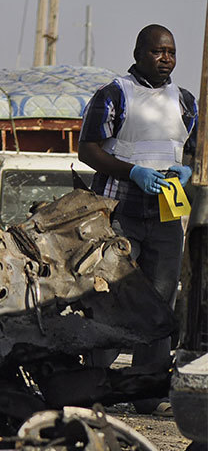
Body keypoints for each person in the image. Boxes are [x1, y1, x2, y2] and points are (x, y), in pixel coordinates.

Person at [78, 24, 197, 416]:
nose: (166, 59)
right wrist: (132, 172)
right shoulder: (113, 95)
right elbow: (88, 150)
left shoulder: (185, 101)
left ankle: (148, 392)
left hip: (165, 217)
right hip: (119, 212)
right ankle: (91, 387)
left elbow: (192, 152)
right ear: (138, 53)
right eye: (158, 51)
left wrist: (187, 171)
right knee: (111, 297)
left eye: (172, 52)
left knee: (159, 303)